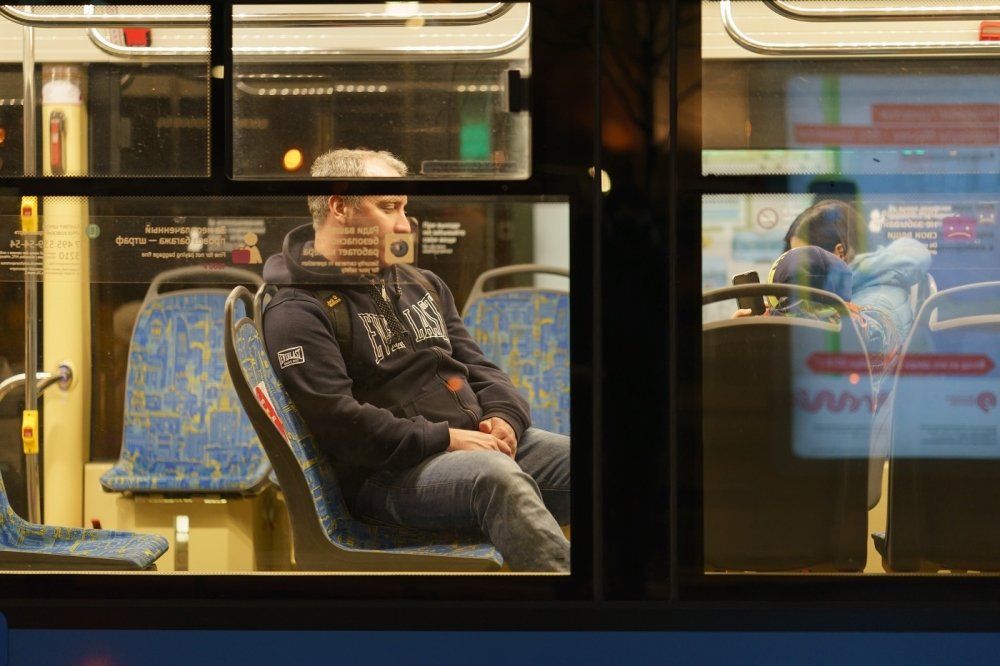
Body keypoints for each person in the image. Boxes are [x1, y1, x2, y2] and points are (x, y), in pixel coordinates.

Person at [261, 148, 570, 572]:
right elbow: (340, 423)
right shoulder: (298, 309)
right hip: (389, 476)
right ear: (338, 206)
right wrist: (446, 439)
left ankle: (627, 600)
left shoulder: (421, 282)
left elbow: (480, 368)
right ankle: (567, 618)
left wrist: (504, 416)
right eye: (388, 207)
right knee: (497, 478)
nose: (404, 224)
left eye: (404, 207)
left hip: (473, 445)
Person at [783, 199, 932, 342]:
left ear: (839, 253)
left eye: (801, 260)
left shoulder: (875, 299)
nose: (794, 269)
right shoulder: (851, 289)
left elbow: (867, 344)